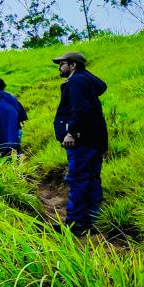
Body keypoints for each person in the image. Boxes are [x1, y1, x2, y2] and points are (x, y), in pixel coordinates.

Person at [52, 51, 108, 235]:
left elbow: (80, 109)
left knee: (78, 179)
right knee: (92, 180)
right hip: (95, 140)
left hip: (82, 141)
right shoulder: (85, 80)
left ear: (73, 65)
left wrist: (72, 132)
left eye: (62, 63)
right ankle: (91, 222)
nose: (59, 67)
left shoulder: (77, 81)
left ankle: (75, 224)